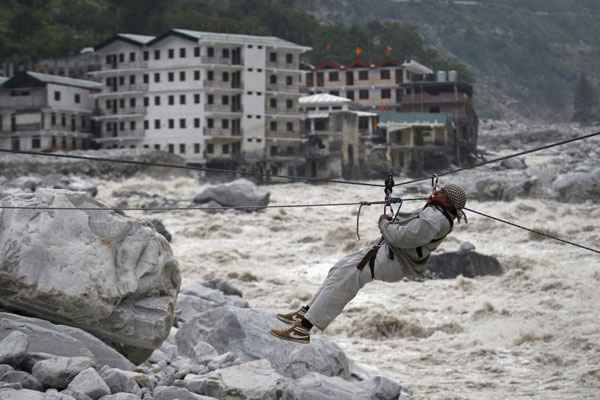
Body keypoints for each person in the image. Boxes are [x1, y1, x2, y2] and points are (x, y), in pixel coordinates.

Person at [270, 184, 467, 344]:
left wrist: (383, 223)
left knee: (345, 281)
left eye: (440, 192)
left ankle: (303, 329)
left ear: (447, 200)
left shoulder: (434, 218)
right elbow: (410, 224)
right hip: (388, 254)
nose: (436, 192)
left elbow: (402, 238)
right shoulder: (435, 213)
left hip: (393, 260)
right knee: (339, 270)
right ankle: (305, 313)